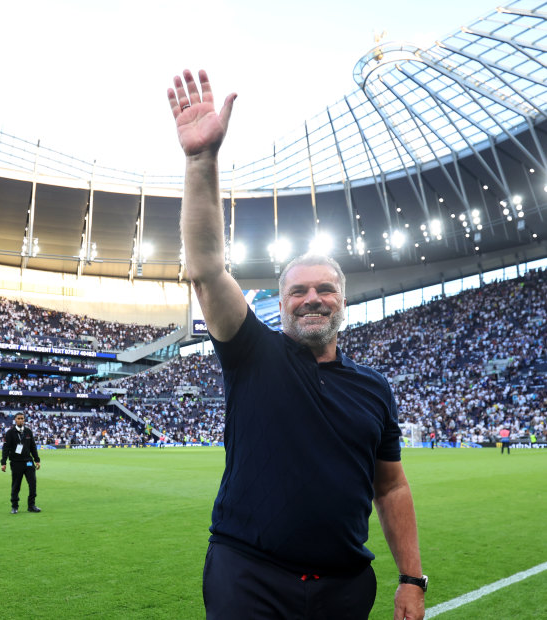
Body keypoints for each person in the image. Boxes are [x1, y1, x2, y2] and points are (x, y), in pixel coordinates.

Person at [168, 70, 426, 619]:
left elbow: (392, 487)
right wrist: (200, 163)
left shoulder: (374, 389)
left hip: (344, 585)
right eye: (298, 290)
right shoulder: (250, 352)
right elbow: (208, 267)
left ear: (343, 301)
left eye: (325, 289)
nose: (312, 298)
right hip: (249, 577)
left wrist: (411, 577)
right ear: (280, 303)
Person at [0, 413, 42, 514]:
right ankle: (14, 506)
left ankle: (31, 505)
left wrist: (37, 460)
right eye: (18, 418)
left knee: (33, 484)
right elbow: (6, 448)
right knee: (16, 485)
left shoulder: (28, 432)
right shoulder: (10, 433)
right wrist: (3, 462)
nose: (20, 420)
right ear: (15, 420)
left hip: (28, 462)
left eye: (22, 418)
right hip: (16, 463)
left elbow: (33, 446)